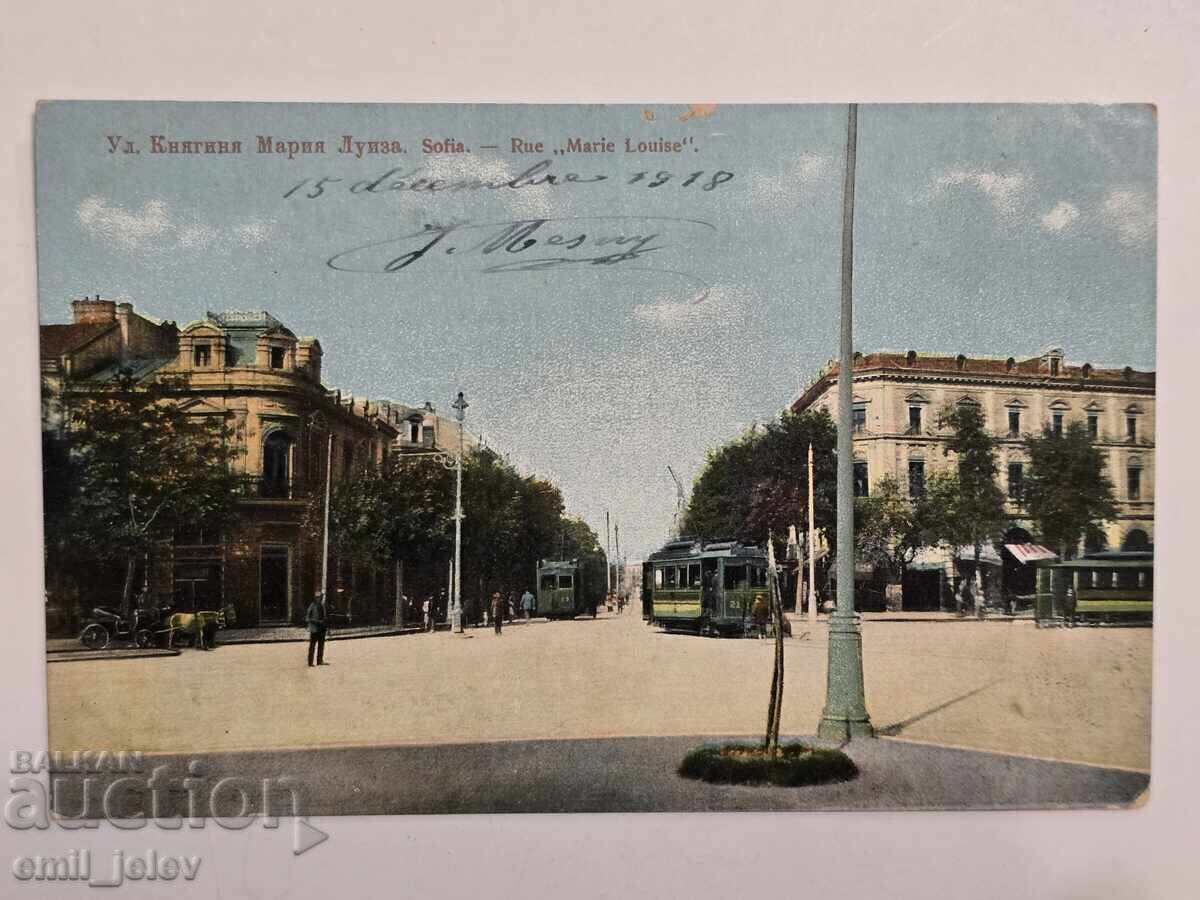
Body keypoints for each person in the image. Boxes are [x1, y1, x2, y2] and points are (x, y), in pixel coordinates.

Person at [306, 592, 329, 666]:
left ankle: (319, 661)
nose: (320, 599)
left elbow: (325, 617)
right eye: (319, 597)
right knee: (312, 646)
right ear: (315, 598)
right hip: (315, 629)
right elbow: (307, 618)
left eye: (321, 597)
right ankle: (310, 662)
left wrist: (326, 627)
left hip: (322, 628)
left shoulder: (322, 606)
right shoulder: (312, 606)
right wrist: (317, 621)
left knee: (321, 645)